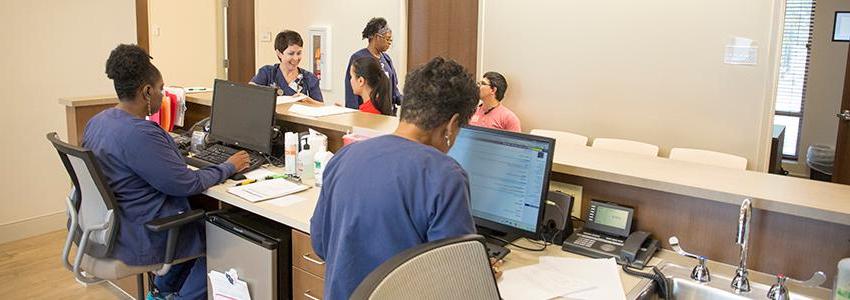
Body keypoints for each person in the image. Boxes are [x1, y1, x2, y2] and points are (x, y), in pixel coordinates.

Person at [83, 44, 250, 300]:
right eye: (161, 89)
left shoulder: (99, 122)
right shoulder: (140, 133)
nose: (162, 95)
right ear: (146, 91)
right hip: (141, 235)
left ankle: (164, 292)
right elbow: (186, 183)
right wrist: (229, 166)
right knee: (224, 238)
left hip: (112, 229)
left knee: (198, 227)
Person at [311, 57, 482, 300]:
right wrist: (478, 271)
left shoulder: (346, 155)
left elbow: (319, 244)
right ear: (452, 125)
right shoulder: (444, 175)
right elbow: (454, 282)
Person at [343, 17, 402, 112]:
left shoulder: (387, 59)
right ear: (377, 37)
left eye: (391, 40)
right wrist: (353, 113)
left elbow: (394, 91)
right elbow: (351, 92)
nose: (390, 43)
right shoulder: (358, 58)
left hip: (387, 113)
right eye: (387, 39)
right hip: (367, 114)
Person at [250, 30, 323, 105]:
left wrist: (308, 100)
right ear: (279, 53)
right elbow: (249, 93)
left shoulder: (309, 78)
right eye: (291, 53)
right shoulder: (267, 73)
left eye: (299, 53)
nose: (295, 58)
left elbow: (321, 106)